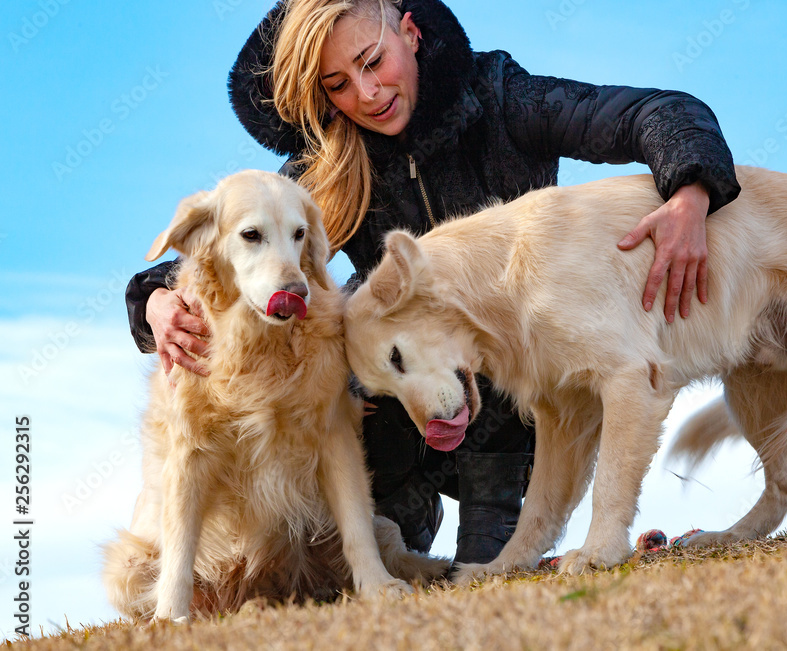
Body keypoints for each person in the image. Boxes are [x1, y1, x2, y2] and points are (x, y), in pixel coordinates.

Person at [124, 0, 741, 566]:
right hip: (397, 421)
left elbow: (659, 112)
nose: (367, 94)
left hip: (516, 415)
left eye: (374, 61)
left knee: (491, 579)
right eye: (338, 84)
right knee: (375, 567)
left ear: (411, 34)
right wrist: (154, 302)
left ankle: (534, 537)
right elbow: (232, 234)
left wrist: (690, 191)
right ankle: (389, 538)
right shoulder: (331, 163)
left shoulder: (502, 97)